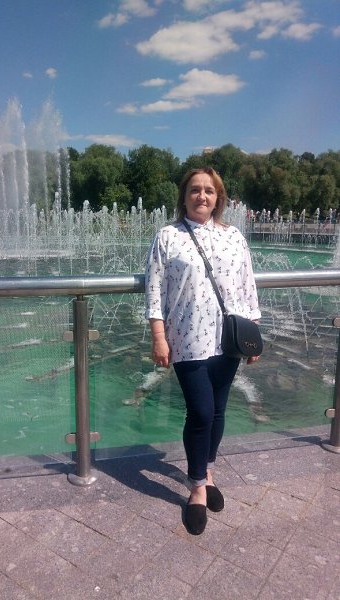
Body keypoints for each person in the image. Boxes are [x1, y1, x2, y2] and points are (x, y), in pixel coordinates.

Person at [145, 167, 261, 535]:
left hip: (228, 340)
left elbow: (247, 286)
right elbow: (154, 291)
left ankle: (207, 471)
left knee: (219, 410)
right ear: (184, 196)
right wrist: (158, 336)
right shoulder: (168, 236)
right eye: (195, 189)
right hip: (186, 339)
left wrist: (253, 333)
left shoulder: (233, 236)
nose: (202, 196)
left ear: (218, 198)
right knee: (201, 412)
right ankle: (197, 487)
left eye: (209, 191)